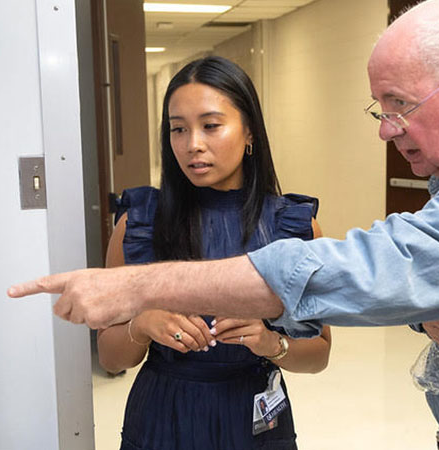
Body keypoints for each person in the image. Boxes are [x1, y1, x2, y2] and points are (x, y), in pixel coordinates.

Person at [9, 1, 439, 449]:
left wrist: (138, 289)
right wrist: (430, 313)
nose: (385, 127)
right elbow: (437, 276)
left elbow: (368, 270)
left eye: (399, 104)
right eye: (380, 105)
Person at [93, 56, 332, 450]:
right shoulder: (139, 225)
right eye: (178, 129)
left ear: (250, 130)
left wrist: (272, 344)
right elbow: (110, 357)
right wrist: (141, 325)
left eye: (211, 126)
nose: (193, 145)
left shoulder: (292, 229)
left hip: (254, 421)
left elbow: (319, 353)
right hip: (163, 418)